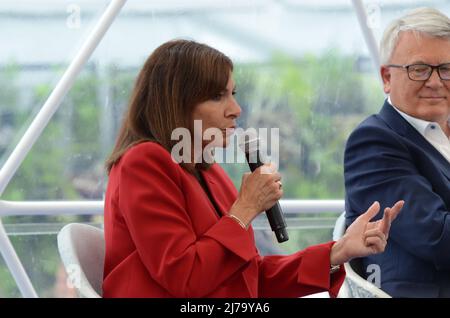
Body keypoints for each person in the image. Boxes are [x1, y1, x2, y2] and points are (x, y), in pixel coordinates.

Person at [103, 39, 403, 298]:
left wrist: (339, 252)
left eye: (233, 94)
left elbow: (247, 278)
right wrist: (245, 209)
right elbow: (186, 277)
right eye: (218, 96)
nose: (235, 109)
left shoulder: (209, 172)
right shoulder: (143, 162)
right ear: (176, 102)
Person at [344, 7, 450, 298]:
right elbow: (438, 237)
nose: (435, 82)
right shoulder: (374, 142)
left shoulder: (442, 131)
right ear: (386, 77)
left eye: (446, 69)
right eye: (419, 69)